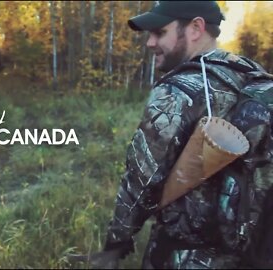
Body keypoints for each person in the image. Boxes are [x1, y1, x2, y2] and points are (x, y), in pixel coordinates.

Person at [95, 1, 272, 269]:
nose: (150, 43)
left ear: (195, 28)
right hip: (252, 256)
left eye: (159, 32)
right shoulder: (251, 78)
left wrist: (115, 243)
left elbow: (141, 180)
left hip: (187, 258)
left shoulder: (177, 92)